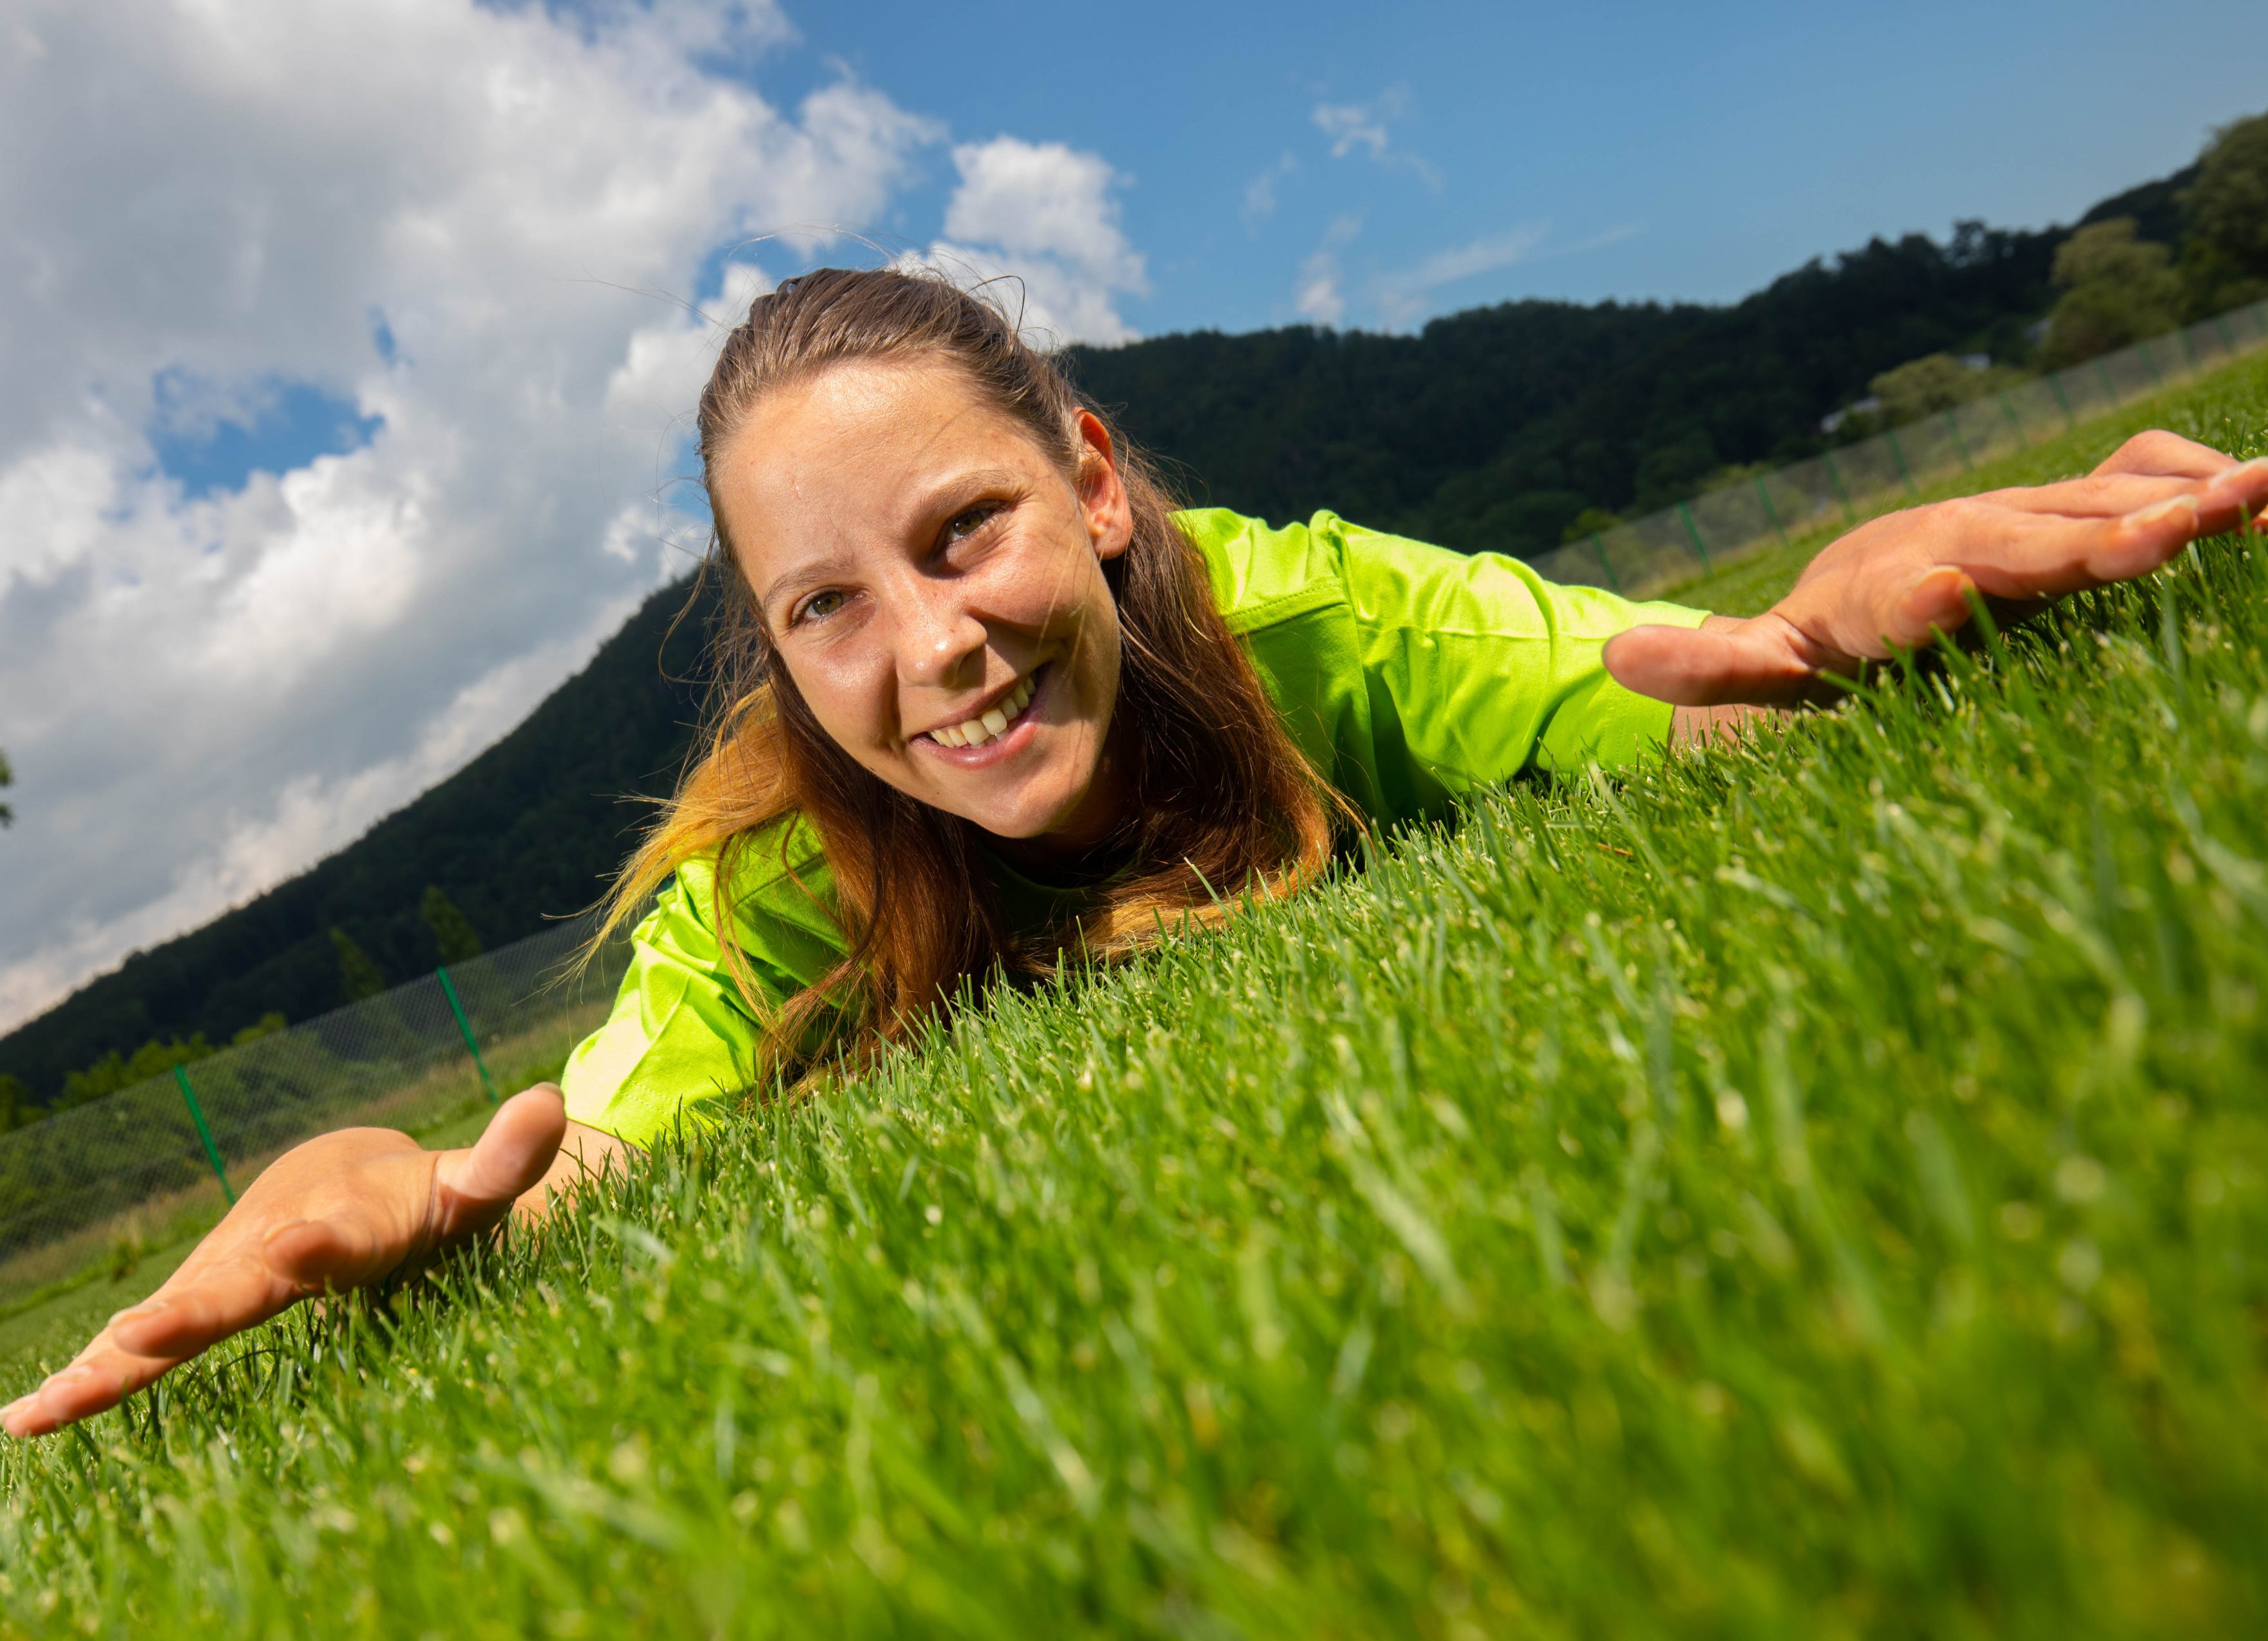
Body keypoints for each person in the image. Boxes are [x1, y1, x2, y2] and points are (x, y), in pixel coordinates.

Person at [8, 268, 2264, 1441]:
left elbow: (1665, 683)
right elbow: (587, 1160)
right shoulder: (780, 881)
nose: (932, 654)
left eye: (961, 530)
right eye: (827, 611)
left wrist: (1814, 634)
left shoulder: (1317, 620)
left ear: (1090, 476)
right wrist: (386, 1192)